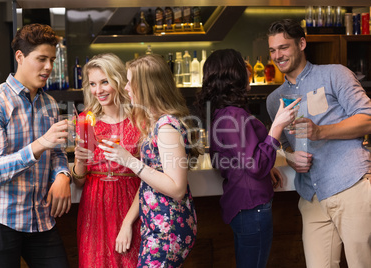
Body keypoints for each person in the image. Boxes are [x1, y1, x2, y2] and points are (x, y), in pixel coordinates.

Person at [266, 19, 371, 268]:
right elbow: (283, 145)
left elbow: (367, 118)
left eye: (283, 47)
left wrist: (321, 132)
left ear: (301, 43)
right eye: (272, 50)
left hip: (350, 187)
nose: (277, 56)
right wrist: (291, 158)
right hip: (311, 198)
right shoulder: (274, 100)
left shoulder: (334, 74)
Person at [0, 23, 72, 268]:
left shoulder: (48, 103)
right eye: (41, 59)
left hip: (39, 217)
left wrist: (62, 176)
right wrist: (39, 144)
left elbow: (57, 152)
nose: (48, 67)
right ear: (20, 57)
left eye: (51, 59)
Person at [195, 49, 299, 267]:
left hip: (244, 206)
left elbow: (233, 160)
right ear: (235, 75)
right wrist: (278, 125)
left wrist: (265, 163)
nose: (249, 71)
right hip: (252, 207)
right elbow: (256, 164)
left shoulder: (223, 114)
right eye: (244, 67)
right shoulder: (233, 116)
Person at [99, 54, 200, 267]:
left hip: (168, 230)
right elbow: (150, 181)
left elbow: (176, 188)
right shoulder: (156, 124)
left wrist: (129, 161)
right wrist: (129, 221)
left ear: (145, 87)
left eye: (130, 82)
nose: (126, 88)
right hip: (158, 226)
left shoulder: (166, 127)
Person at [71, 53, 141, 267]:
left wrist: (129, 222)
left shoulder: (139, 119)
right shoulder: (85, 120)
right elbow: (80, 182)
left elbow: (149, 174)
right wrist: (80, 160)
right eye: (92, 84)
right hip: (95, 205)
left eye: (104, 82)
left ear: (119, 81)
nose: (98, 90)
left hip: (132, 203)